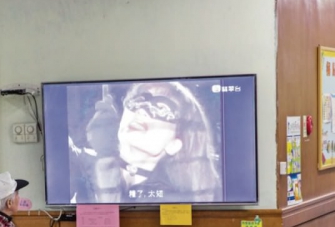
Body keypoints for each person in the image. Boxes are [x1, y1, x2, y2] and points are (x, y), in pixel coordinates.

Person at [70, 81, 222, 204]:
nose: (141, 111)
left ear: (174, 144)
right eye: (137, 102)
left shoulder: (175, 197)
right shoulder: (75, 163)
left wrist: (106, 155)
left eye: (161, 109)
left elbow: (112, 219)